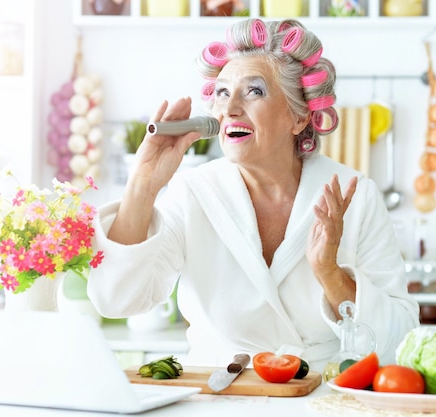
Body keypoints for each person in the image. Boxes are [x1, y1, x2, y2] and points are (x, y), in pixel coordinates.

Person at [88, 18, 419, 371]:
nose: (230, 108)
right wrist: (144, 183)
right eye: (222, 92)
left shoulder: (354, 195)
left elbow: (400, 341)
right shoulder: (193, 193)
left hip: (321, 398)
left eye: (254, 91)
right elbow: (115, 300)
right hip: (218, 396)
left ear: (299, 117)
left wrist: (329, 274)